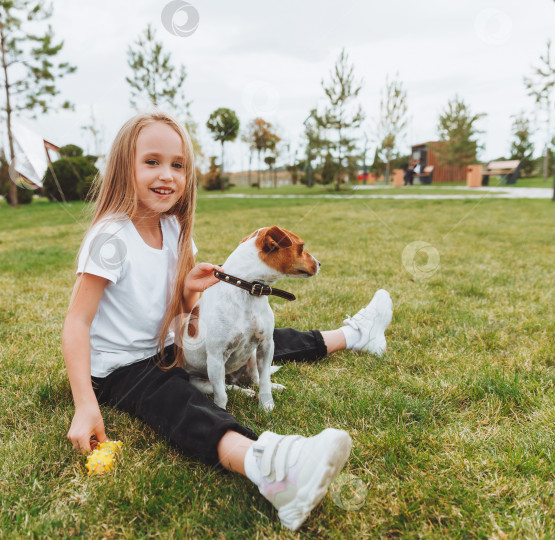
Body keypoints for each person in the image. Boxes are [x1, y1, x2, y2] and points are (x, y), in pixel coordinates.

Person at [63, 111, 393, 531]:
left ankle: (356, 334)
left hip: (170, 346)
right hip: (121, 368)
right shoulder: (110, 238)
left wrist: (189, 292)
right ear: (123, 167)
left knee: (262, 335)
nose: (167, 175)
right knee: (178, 401)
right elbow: (77, 322)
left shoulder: (176, 231)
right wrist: (85, 403)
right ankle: (268, 465)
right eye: (152, 162)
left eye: (178, 165)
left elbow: (177, 312)